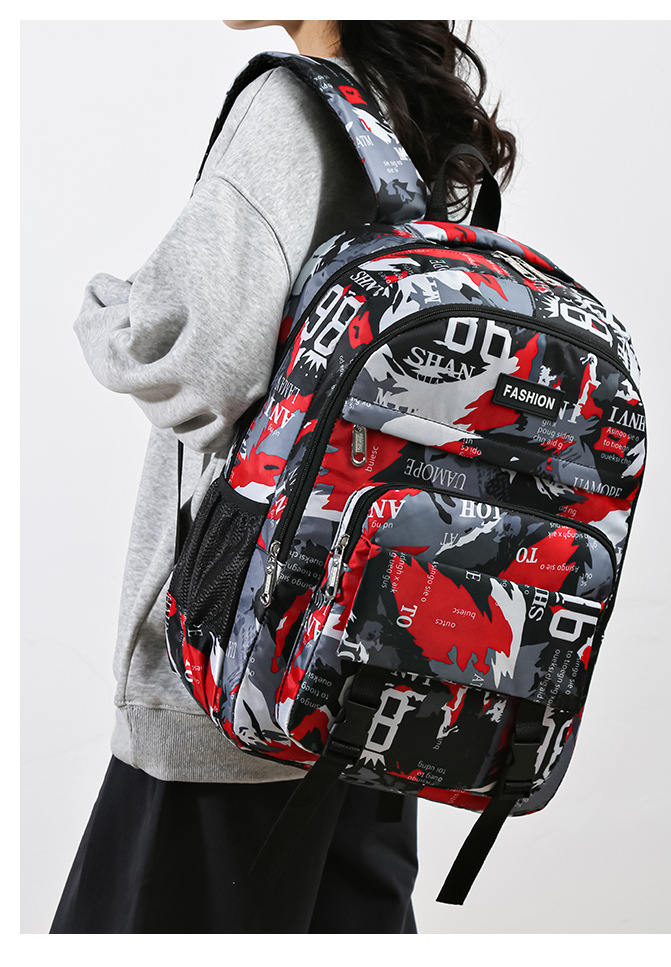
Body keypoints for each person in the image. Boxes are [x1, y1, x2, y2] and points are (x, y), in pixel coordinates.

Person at [50, 19, 517, 934]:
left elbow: (192, 359)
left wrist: (108, 314)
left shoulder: (292, 107)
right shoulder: (418, 121)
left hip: (229, 688)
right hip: (376, 682)